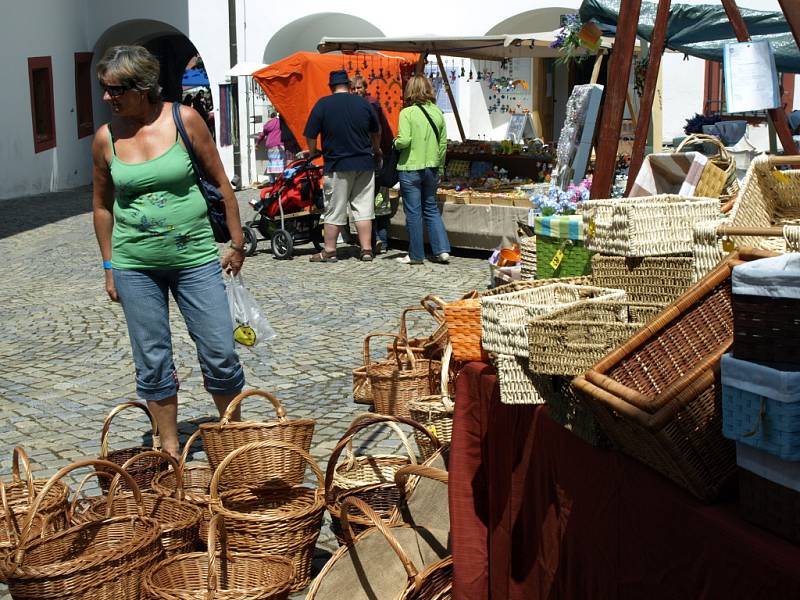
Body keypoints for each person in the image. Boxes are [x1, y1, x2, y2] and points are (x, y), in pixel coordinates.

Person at [91, 45, 247, 458]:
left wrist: (236, 241)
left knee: (219, 349)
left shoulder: (185, 119)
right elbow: (102, 205)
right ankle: (171, 448)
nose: (107, 98)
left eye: (114, 90)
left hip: (195, 259)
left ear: (141, 87)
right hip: (134, 266)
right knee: (153, 358)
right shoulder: (106, 139)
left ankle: (231, 436)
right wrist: (109, 267)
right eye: (104, 89)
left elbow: (220, 182)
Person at [304, 69, 380, 262]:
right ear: (348, 85)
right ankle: (366, 249)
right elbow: (376, 130)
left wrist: (313, 152)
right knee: (364, 208)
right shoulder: (363, 103)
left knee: (334, 207)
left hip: (338, 163)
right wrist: (375, 148)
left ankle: (329, 250)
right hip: (364, 162)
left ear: (331, 87)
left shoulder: (323, 104)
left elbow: (310, 134)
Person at [394, 75, 451, 265]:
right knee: (431, 208)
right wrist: (440, 167)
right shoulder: (437, 112)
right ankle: (442, 250)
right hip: (432, 167)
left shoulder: (407, 113)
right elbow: (443, 145)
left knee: (413, 212)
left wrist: (395, 143)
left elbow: (404, 141)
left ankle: (416, 255)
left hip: (410, 167)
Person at [352, 74, 393, 254]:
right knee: (370, 201)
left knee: (375, 199)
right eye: (353, 88)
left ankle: (380, 240)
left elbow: (377, 129)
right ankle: (374, 240)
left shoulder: (371, 104)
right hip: (366, 155)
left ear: (365, 88)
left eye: (359, 87)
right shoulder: (355, 105)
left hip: (374, 156)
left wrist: (378, 149)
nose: (356, 91)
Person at [256, 111, 285, 182]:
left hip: (270, 147)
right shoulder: (279, 122)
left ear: (270, 117)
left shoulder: (268, 124)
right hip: (279, 146)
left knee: (271, 164)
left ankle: (272, 182)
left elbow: (262, 135)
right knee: (279, 165)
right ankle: (280, 182)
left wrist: (257, 143)